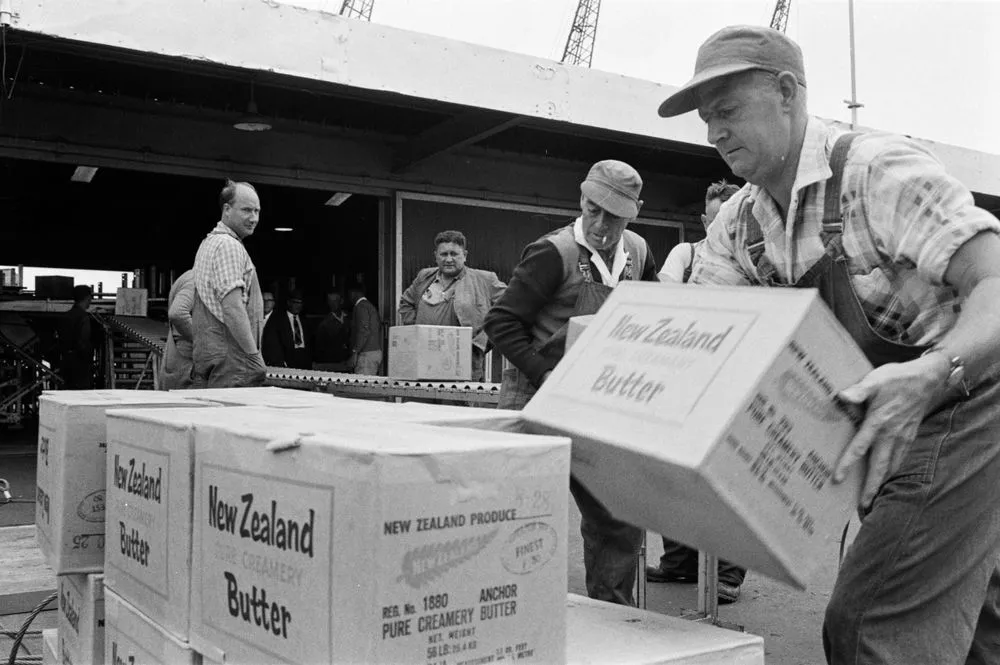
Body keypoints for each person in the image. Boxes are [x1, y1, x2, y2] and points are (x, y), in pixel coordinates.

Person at [658, 25, 1000, 663]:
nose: (713, 135)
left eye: (727, 111)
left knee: (872, 626)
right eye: (707, 120)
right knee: (978, 628)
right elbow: (700, 332)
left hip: (965, 401)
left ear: (786, 93)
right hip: (879, 418)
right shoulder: (740, 223)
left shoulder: (877, 172)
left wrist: (932, 374)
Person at [484, 159, 659, 606]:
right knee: (521, 515)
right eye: (592, 209)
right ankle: (513, 618)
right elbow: (501, 322)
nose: (601, 224)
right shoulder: (552, 253)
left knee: (617, 514)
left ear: (634, 212)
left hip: (598, 403)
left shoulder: (638, 253)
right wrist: (543, 375)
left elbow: (654, 314)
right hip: (537, 398)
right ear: (581, 199)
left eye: (614, 216)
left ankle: (612, 618)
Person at [647, 180, 747, 604]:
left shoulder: (755, 260)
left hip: (735, 377)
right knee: (674, 470)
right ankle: (680, 562)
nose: (722, 222)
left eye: (731, 215)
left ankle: (728, 573)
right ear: (705, 220)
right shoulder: (684, 255)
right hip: (687, 375)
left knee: (730, 478)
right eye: (715, 215)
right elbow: (667, 306)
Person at [398, 230, 506, 381]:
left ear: (465, 255)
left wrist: (485, 340)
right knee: (421, 402)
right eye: (443, 254)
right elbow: (406, 303)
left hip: (462, 363)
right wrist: (416, 330)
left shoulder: (484, 279)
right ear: (435, 255)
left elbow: (510, 307)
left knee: (456, 403)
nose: (448, 259)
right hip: (424, 359)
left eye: (454, 254)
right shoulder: (424, 276)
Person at [191, 179, 266, 388]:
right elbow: (232, 307)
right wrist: (252, 355)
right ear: (227, 209)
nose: (254, 218)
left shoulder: (208, 243)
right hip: (234, 360)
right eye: (247, 210)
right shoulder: (228, 246)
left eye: (257, 211)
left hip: (211, 356)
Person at [658, 180, 739, 283]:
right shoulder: (686, 253)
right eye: (715, 223)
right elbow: (665, 291)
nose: (723, 230)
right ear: (704, 222)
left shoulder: (754, 262)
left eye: (730, 223)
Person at [161, 270, 196, 389]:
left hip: (185, 357)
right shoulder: (194, 280)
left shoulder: (190, 277)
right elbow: (178, 313)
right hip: (187, 358)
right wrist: (204, 341)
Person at [261, 289, 311, 369]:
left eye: (300, 303)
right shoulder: (278, 320)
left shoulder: (305, 321)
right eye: (295, 302)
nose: (298, 305)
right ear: (289, 303)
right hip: (286, 362)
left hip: (304, 361)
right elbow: (273, 344)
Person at [58, 285, 94, 389]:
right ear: (87, 298)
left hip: (66, 363)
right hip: (81, 365)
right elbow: (84, 341)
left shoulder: (66, 317)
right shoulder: (84, 318)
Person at [313, 291, 352, 372]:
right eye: (330, 301)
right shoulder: (325, 324)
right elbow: (320, 349)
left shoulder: (350, 317)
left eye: (335, 301)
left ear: (341, 301)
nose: (332, 304)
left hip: (348, 363)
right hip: (334, 366)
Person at [348, 285, 382, 375]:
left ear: (354, 293)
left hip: (366, 354)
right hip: (374, 352)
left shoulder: (361, 306)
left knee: (362, 386)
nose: (349, 297)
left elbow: (363, 331)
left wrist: (355, 352)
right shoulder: (370, 306)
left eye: (349, 294)